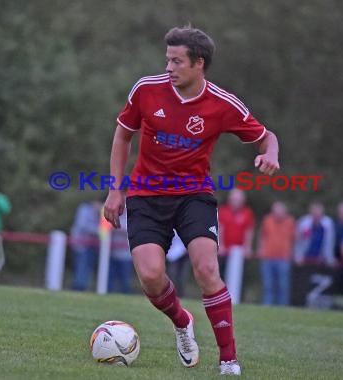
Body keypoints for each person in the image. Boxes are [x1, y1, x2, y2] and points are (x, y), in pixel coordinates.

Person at [103, 26, 280, 376]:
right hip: (146, 194)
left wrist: (271, 153)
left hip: (193, 195)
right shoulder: (146, 89)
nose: (168, 67)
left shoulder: (223, 103)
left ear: (199, 64)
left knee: (207, 268)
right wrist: (114, 188)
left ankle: (229, 360)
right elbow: (123, 135)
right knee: (152, 277)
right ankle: (182, 322)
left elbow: (265, 137)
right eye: (167, 59)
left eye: (177, 61)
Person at [257, 201, 295, 306]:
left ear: (284, 211)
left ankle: (282, 307)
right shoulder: (267, 220)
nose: (277, 213)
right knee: (267, 285)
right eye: (275, 210)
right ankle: (267, 306)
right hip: (268, 258)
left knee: (283, 286)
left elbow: (294, 239)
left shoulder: (290, 222)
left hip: (283, 258)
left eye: (279, 210)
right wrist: (261, 250)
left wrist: (291, 252)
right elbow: (262, 236)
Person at [217, 189, 255, 278]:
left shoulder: (247, 213)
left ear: (243, 200)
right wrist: (221, 245)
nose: (235, 202)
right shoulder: (223, 211)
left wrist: (248, 247)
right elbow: (220, 229)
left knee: (240, 277)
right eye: (233, 199)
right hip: (225, 251)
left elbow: (249, 231)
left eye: (238, 199)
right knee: (222, 275)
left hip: (240, 252)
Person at [70, 200, 101, 291]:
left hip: (92, 246)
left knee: (87, 268)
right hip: (81, 246)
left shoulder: (99, 213)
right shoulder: (84, 210)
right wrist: (99, 231)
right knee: (81, 267)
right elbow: (82, 226)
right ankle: (78, 287)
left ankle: (82, 286)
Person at [294, 201, 335, 266]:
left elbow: (329, 243)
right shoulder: (303, 223)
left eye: (318, 210)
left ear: (322, 211)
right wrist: (297, 256)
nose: (316, 213)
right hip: (304, 258)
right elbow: (297, 241)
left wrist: (329, 258)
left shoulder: (328, 224)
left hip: (321, 259)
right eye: (314, 210)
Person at [108, 209, 133, 294]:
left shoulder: (132, 215)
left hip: (126, 255)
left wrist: (116, 228)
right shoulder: (115, 214)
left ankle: (126, 295)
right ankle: (108, 295)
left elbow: (130, 229)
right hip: (112, 253)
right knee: (110, 279)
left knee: (125, 280)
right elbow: (107, 228)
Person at [166, 230, 190, 297]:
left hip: (185, 254)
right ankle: (170, 294)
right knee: (172, 275)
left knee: (182, 277)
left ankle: (180, 295)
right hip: (173, 254)